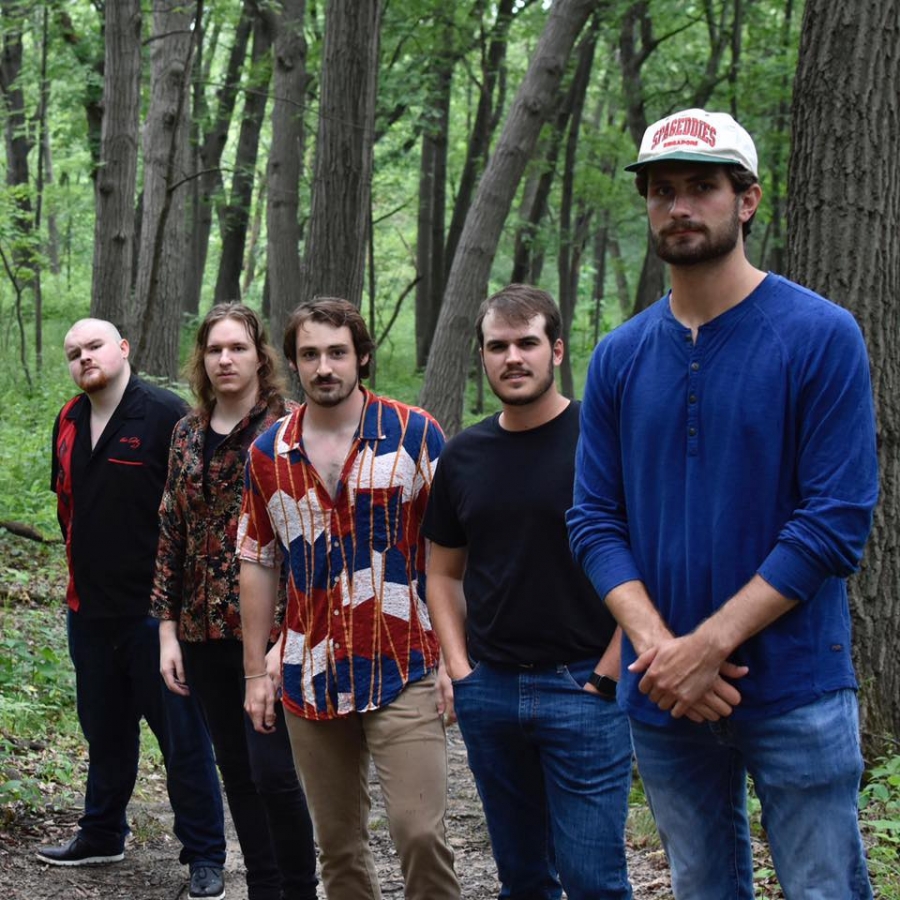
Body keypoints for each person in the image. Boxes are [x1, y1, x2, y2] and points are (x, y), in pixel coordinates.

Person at [567, 108, 878, 900]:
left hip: (798, 685)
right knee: (702, 885)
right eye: (661, 190)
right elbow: (594, 519)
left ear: (747, 199)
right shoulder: (619, 356)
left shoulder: (821, 335)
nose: (678, 207)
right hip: (663, 695)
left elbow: (836, 521)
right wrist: (661, 652)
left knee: (824, 889)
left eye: (701, 187)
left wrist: (706, 646)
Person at [237, 298, 460, 900]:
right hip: (310, 668)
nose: (324, 367)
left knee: (419, 833)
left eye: (337, 352)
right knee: (338, 848)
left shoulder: (415, 434)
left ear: (361, 357)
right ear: (292, 363)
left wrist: (454, 656)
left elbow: (452, 550)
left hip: (405, 660)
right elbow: (257, 559)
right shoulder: (268, 454)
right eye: (309, 354)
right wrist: (255, 669)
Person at [423, 284, 633, 900]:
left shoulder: (604, 441)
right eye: (498, 346)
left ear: (556, 350)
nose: (512, 357)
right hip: (491, 690)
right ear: (483, 357)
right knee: (522, 879)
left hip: (586, 687)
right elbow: (443, 573)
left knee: (594, 881)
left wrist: (610, 674)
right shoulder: (463, 455)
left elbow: (646, 563)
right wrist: (461, 670)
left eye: (527, 343)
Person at [39, 318, 227, 900]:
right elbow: (68, 506)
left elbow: (195, 515)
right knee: (105, 733)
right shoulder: (69, 420)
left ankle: (205, 855)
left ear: (123, 349)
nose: (84, 357)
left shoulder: (167, 416)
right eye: (74, 352)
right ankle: (102, 833)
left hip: (156, 616)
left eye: (94, 346)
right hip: (89, 610)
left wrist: (181, 609)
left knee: (183, 740)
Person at [151, 303, 318, 900]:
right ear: (202, 359)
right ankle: (264, 889)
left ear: (260, 357)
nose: (225, 359)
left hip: (268, 632)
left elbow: (308, 537)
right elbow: (171, 531)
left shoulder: (289, 427)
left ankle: (299, 889)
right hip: (200, 630)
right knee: (237, 773)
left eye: (238, 348)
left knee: (274, 773)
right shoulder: (186, 432)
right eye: (215, 349)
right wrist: (166, 630)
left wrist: (289, 637)